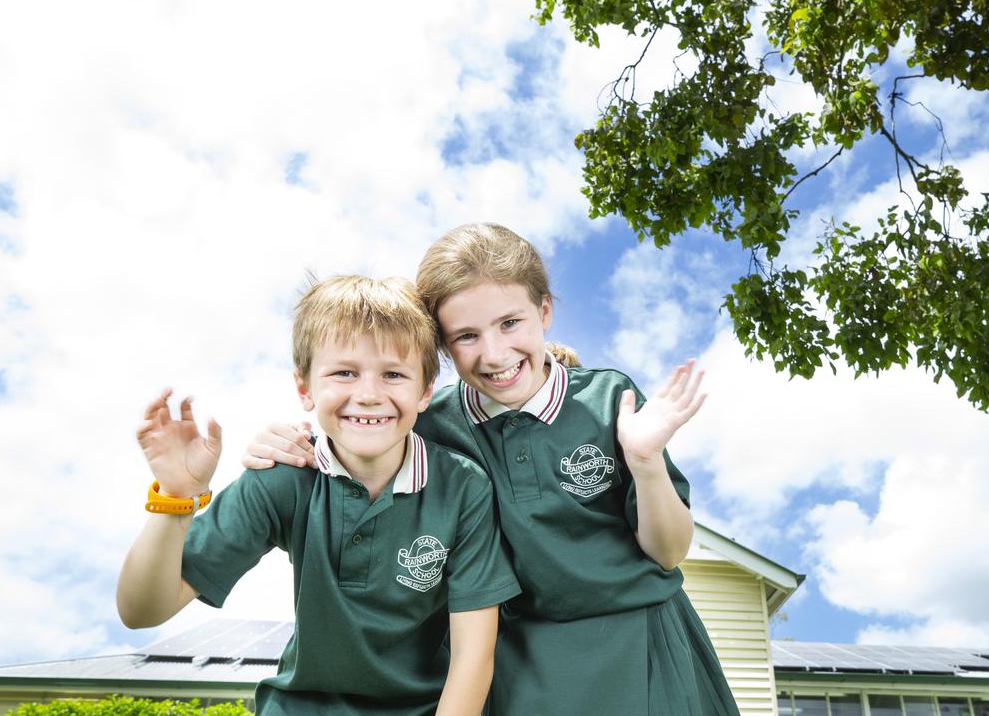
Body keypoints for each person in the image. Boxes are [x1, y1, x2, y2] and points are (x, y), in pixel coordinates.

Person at [244, 224, 741, 716]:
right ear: (440, 347)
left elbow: (670, 552)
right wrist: (287, 444)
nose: (495, 354)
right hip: (518, 666)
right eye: (466, 336)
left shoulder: (611, 398)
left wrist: (646, 463)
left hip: (646, 645)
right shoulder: (431, 426)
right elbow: (354, 438)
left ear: (543, 311)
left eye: (510, 323)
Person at [117, 275, 520, 716]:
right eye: (344, 372)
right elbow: (142, 611)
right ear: (305, 388)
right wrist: (177, 498)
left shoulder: (463, 488)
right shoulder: (282, 478)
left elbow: (472, 657)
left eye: (393, 374)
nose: (368, 395)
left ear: (425, 390)